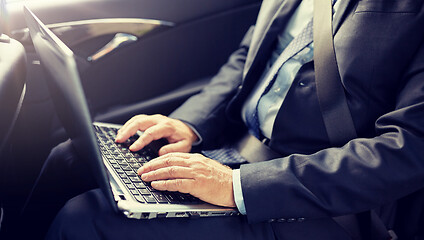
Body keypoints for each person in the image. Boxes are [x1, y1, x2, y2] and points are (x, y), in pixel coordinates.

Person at [33, 0, 424, 239]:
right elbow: (246, 60)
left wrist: (236, 185)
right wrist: (189, 125)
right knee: (68, 159)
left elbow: (409, 150)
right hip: (233, 150)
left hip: (321, 203)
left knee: (83, 221)